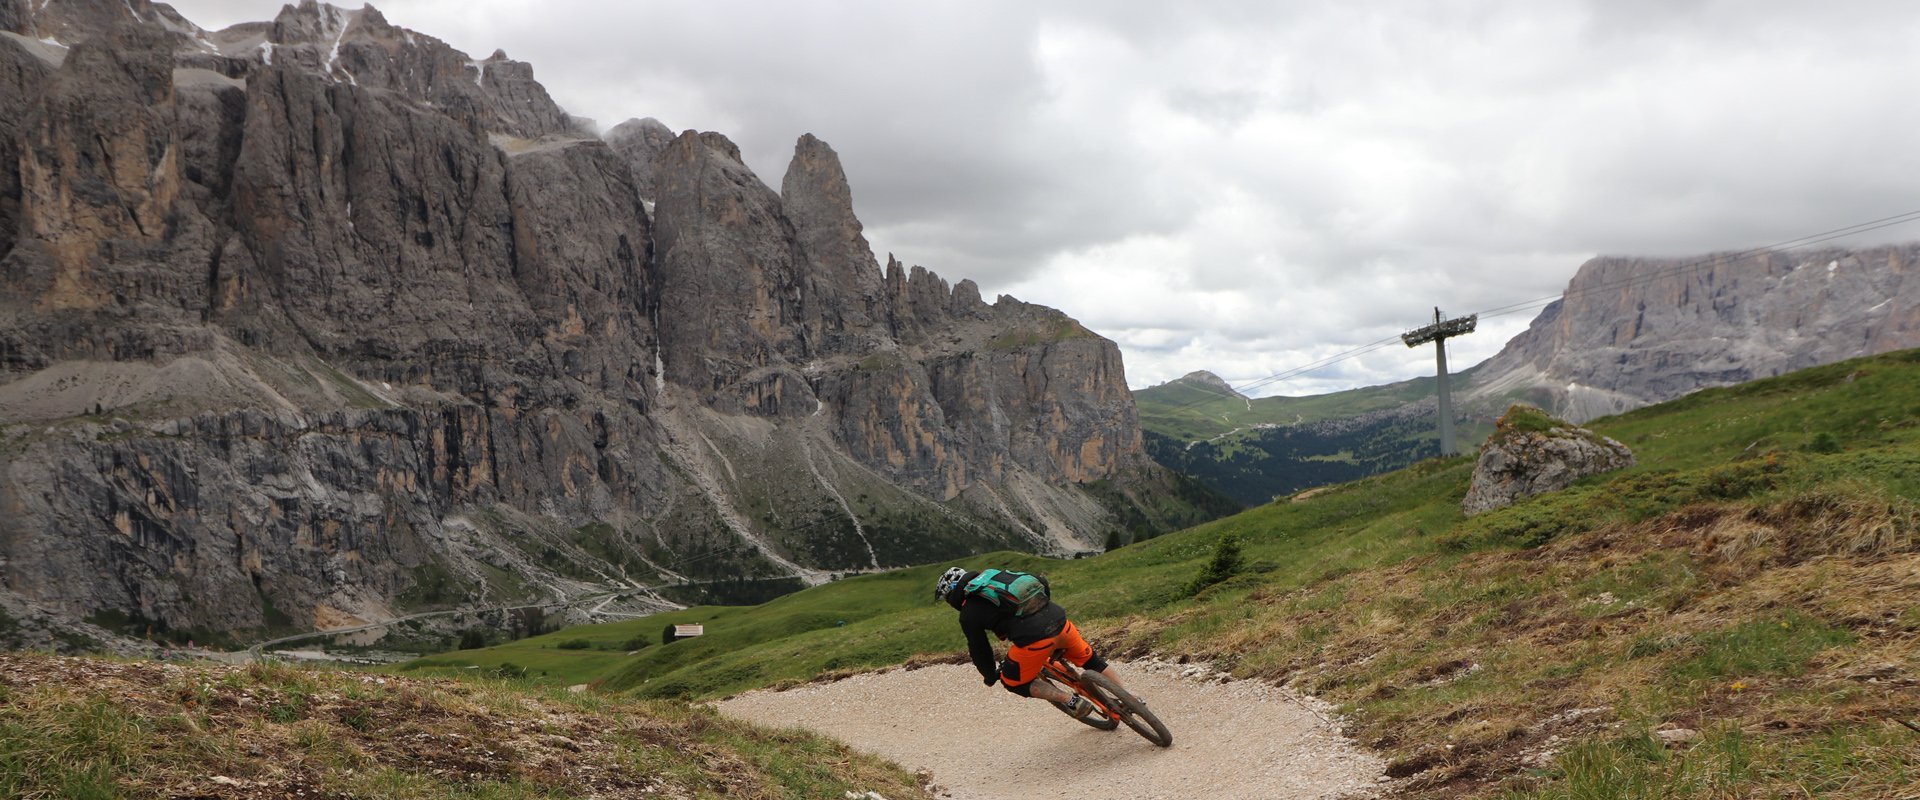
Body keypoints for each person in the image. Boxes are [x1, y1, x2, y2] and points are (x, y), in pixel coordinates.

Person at [934, 567, 1129, 716]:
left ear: (952, 595)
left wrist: (989, 676)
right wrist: (1043, 609)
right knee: (1092, 661)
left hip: (1034, 642)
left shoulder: (969, 612)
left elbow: (980, 650)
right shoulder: (997, 576)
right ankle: (1130, 698)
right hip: (1061, 623)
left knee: (1012, 681)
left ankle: (1069, 700)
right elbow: (1040, 580)